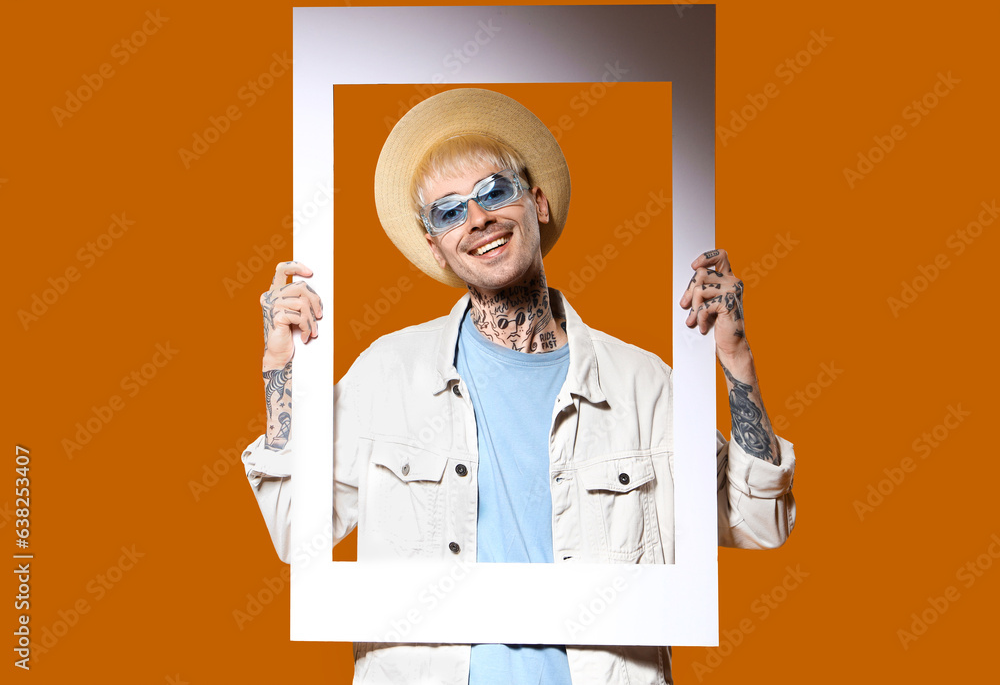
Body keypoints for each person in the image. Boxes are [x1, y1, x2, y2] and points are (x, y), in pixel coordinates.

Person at [242, 88, 796, 685]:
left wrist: (736, 359)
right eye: (450, 211)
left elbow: (756, 521)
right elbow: (297, 529)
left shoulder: (643, 384)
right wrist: (282, 371)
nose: (478, 219)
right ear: (437, 247)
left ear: (537, 203)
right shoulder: (388, 374)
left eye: (493, 192)